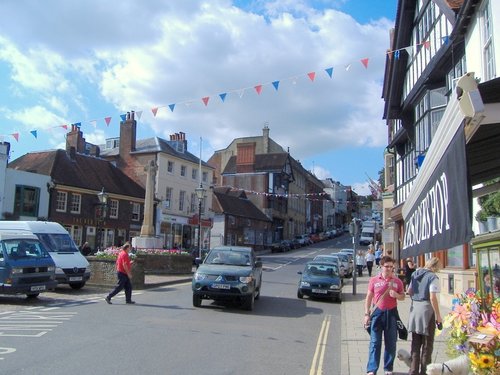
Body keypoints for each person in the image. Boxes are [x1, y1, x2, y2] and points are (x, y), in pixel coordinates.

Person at [364, 255, 405, 375]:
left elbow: (403, 296)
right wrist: (366, 314)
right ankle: (372, 369)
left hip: (391, 314)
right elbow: (369, 297)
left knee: (391, 343)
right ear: (381, 266)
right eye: (387, 266)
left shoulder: (397, 281)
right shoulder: (374, 280)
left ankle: (388, 368)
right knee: (375, 343)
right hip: (377, 314)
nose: (389, 269)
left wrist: (396, 295)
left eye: (392, 267)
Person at [407, 257, 442, 375]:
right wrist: (438, 315)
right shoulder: (433, 277)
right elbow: (432, 297)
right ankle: (425, 372)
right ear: (435, 266)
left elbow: (409, 291)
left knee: (415, 343)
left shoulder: (415, 274)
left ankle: (413, 370)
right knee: (427, 344)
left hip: (415, 309)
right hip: (427, 310)